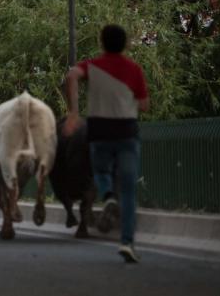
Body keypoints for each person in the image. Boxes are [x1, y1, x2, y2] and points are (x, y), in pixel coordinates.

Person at [64, 24, 149, 264]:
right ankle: (127, 242)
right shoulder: (134, 69)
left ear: (102, 43)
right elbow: (144, 105)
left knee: (101, 172)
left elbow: (71, 75)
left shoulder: (92, 66)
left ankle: (108, 195)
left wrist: (73, 112)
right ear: (126, 44)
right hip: (127, 134)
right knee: (129, 190)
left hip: (99, 132)